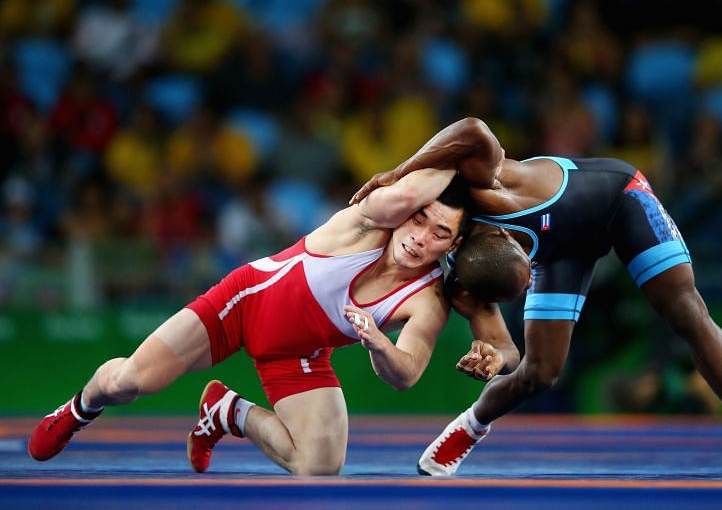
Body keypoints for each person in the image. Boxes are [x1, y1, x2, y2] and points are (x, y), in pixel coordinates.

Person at [351, 117, 722, 479]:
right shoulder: (463, 276)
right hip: (561, 251)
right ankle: (468, 427)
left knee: (685, 312)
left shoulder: (485, 188)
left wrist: (399, 171)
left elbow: (474, 129)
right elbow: (508, 350)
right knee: (540, 372)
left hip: (620, 199)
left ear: (508, 238)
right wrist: (492, 358)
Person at [28, 167, 531, 476]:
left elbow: (406, 375)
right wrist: (462, 162)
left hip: (299, 354)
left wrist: (380, 345)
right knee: (129, 381)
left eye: (439, 232)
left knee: (319, 467)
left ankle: (226, 412)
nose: (420, 236)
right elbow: (410, 191)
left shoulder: (428, 300)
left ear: (453, 246)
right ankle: (77, 409)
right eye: (420, 219)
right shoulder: (367, 221)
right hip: (243, 305)